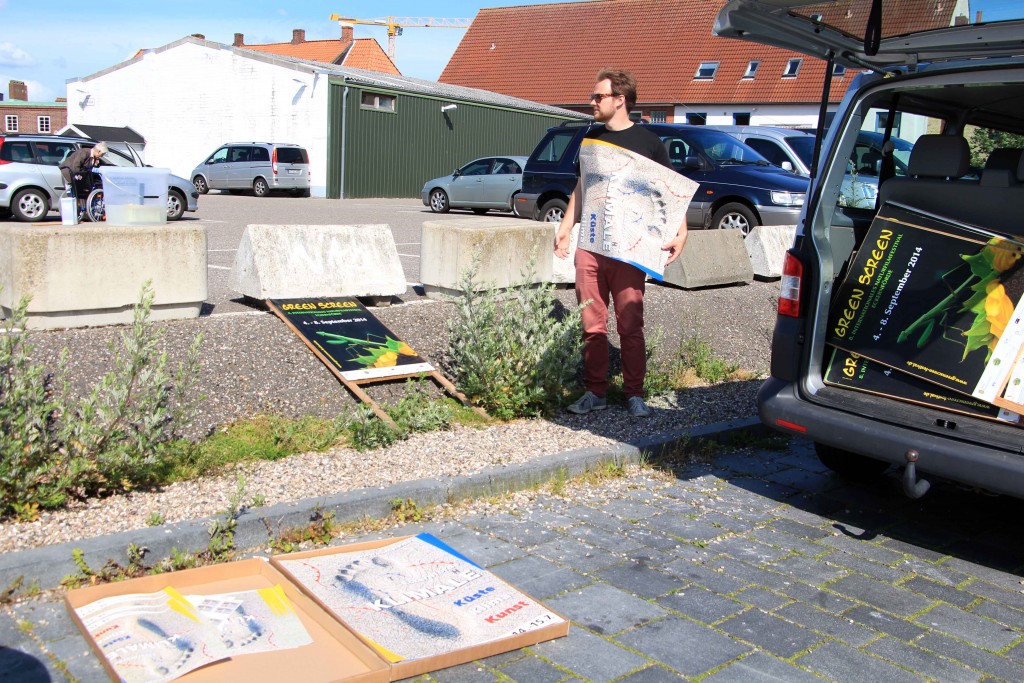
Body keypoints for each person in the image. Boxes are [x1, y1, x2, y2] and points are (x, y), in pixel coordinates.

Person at [554, 69, 688, 418]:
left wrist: (681, 232)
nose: (592, 102)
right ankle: (595, 392)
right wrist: (566, 226)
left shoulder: (649, 142)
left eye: (598, 96)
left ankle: (634, 393)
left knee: (630, 324)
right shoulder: (590, 140)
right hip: (592, 246)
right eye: (593, 96)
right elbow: (582, 187)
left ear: (620, 100)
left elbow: (668, 191)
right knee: (591, 324)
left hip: (630, 250)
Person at [59, 143, 108, 215]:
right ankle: (76, 211)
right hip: (68, 172)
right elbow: (76, 166)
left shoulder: (93, 157)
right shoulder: (84, 153)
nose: (102, 156)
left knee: (84, 189)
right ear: (98, 151)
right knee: (77, 190)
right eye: (102, 154)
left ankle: (84, 210)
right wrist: (79, 176)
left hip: (77, 173)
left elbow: (88, 168)